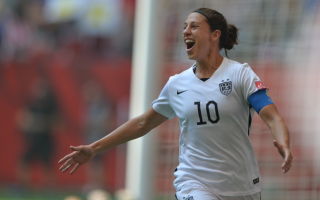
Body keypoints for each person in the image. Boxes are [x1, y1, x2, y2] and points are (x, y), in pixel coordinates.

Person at [58, 8, 293, 200]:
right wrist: (94, 148)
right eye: (184, 27)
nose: (186, 31)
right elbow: (143, 123)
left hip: (242, 185)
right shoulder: (177, 84)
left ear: (215, 35)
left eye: (194, 26)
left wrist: (282, 141)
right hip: (194, 182)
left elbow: (271, 115)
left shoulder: (240, 74)